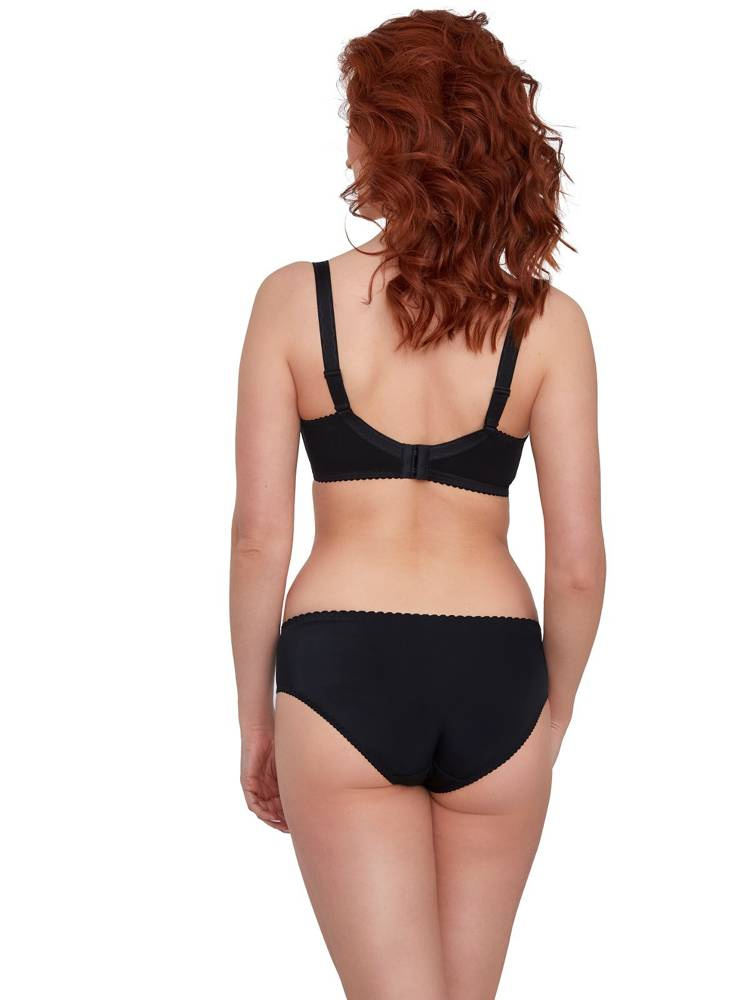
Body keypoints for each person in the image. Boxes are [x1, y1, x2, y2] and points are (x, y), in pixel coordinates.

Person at [230, 10, 605, 998]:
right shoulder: (549, 323)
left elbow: (259, 537)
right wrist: (553, 713)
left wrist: (256, 719)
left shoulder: (294, 301)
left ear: (385, 136)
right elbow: (577, 564)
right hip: (498, 671)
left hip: (341, 667)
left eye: (356, 120)